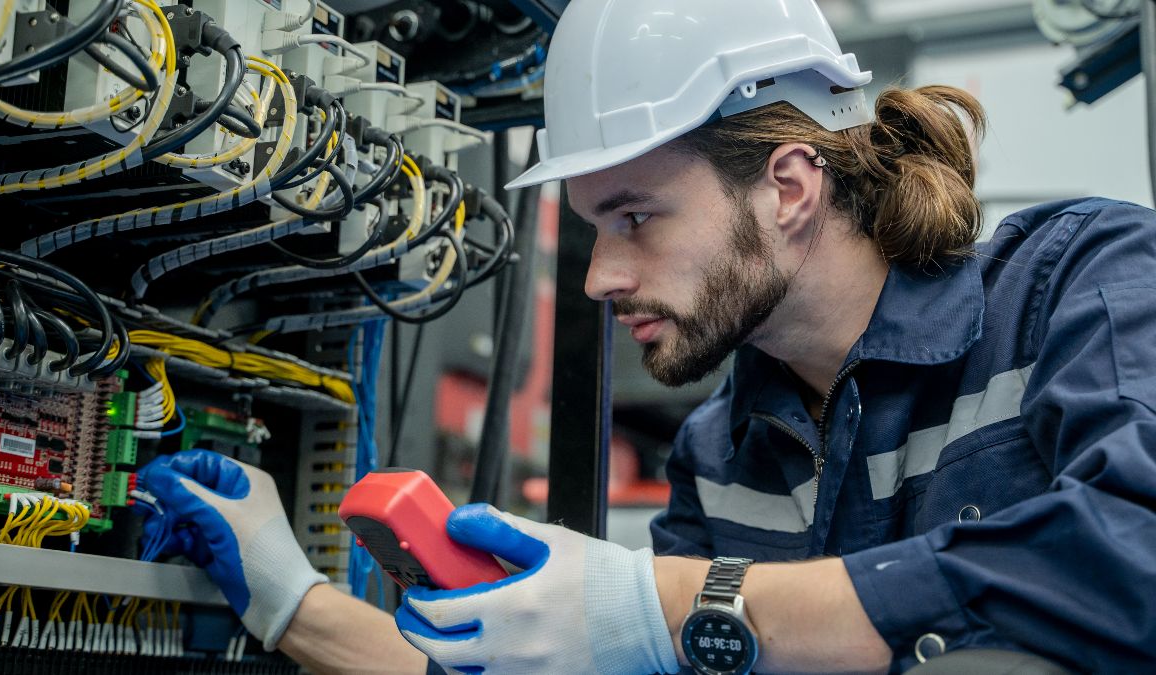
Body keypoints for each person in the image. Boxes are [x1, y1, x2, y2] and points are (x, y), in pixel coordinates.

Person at [137, 0, 1156, 672]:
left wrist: (666, 602)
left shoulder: (1084, 282)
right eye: (591, 229)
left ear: (790, 187)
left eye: (635, 218)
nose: (599, 276)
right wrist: (293, 602)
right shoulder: (723, 450)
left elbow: (1128, 562)